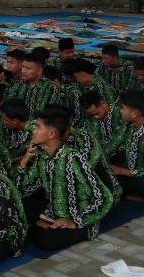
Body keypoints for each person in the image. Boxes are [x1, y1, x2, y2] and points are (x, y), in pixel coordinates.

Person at [15, 106, 113, 251]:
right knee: (16, 203)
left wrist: (75, 221)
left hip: (75, 218)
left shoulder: (73, 158)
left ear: (51, 134)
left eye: (38, 127)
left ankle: (39, 226)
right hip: (52, 214)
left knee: (45, 241)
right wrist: (24, 161)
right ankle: (40, 224)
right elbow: (21, 189)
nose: (33, 131)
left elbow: (105, 197)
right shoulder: (41, 156)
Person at [12, 51, 57, 115]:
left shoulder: (50, 87)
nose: (23, 71)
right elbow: (10, 107)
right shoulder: (19, 84)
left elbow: (45, 114)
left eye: (28, 68)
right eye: (23, 67)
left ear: (40, 70)